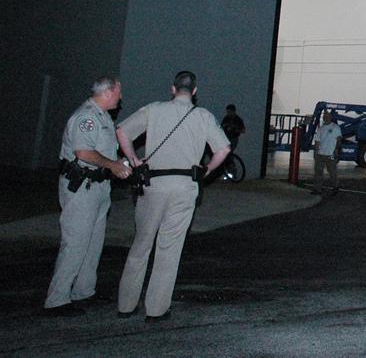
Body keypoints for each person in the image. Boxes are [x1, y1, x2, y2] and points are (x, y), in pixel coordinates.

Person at [114, 70, 230, 321]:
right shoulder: (202, 116)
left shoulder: (154, 109)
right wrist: (207, 171)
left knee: (141, 244)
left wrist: (134, 159)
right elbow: (224, 148)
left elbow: (122, 130)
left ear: (173, 89)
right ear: (195, 91)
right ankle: (156, 309)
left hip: (153, 184)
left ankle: (126, 305)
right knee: (169, 248)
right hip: (185, 186)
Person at [43, 76, 132, 316]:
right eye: (118, 93)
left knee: (93, 243)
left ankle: (83, 291)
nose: (121, 97)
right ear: (108, 92)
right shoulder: (87, 117)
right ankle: (57, 299)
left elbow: (103, 152)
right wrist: (113, 165)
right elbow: (83, 152)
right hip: (82, 187)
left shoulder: (103, 116)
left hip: (99, 187)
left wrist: (118, 164)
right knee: (75, 242)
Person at [312, 110, 343, 195]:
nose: (326, 117)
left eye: (327, 116)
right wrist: (315, 152)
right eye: (324, 116)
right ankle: (317, 189)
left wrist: (336, 151)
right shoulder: (321, 129)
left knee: (332, 172)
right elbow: (317, 141)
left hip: (331, 154)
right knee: (318, 172)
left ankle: (335, 187)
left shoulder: (336, 127)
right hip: (320, 154)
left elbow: (339, 140)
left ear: (331, 117)